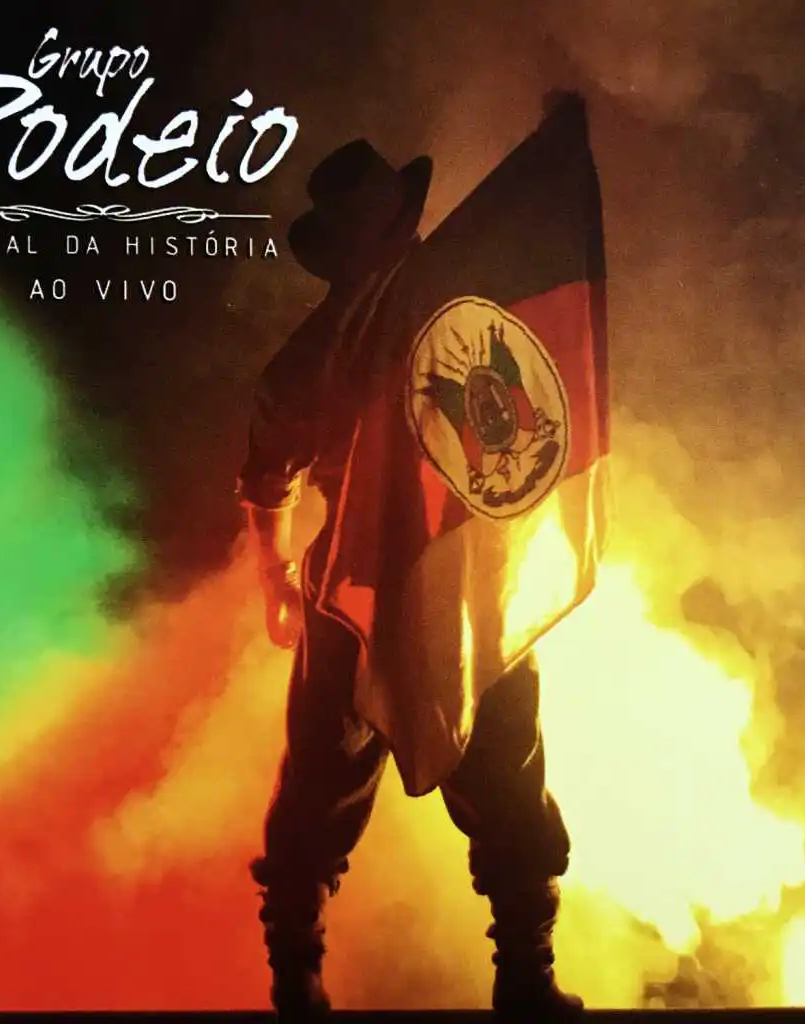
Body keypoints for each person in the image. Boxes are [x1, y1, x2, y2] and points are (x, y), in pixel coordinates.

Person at [237, 135, 583, 1020]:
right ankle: (525, 978)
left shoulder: (305, 359)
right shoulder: (463, 316)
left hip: (352, 593)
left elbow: (267, 482)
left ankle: (297, 982)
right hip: (464, 583)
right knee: (505, 774)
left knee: (318, 788)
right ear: (401, 231)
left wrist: (278, 576)